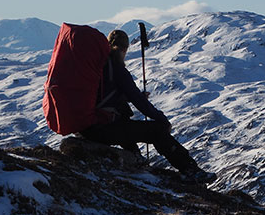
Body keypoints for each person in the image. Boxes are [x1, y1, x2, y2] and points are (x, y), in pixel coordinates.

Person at [80, 29, 216, 184]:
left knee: (124, 123)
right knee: (156, 131)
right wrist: (161, 120)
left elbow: (104, 96)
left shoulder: (97, 67)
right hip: (102, 128)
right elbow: (139, 102)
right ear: (124, 49)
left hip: (87, 127)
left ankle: (137, 162)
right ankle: (191, 170)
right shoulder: (117, 69)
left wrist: (124, 97)